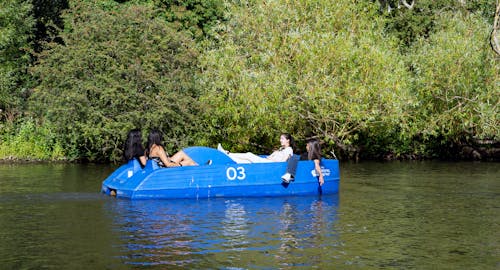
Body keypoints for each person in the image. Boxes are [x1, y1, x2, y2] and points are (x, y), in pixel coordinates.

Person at [218, 133, 295, 163]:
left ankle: (227, 153)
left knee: (249, 155)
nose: (280, 140)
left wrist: (272, 159)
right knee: (245, 161)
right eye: (280, 138)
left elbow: (284, 161)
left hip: (272, 165)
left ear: (288, 140)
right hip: (267, 161)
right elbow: (270, 156)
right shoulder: (281, 149)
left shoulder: (289, 150)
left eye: (282, 139)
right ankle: (226, 156)